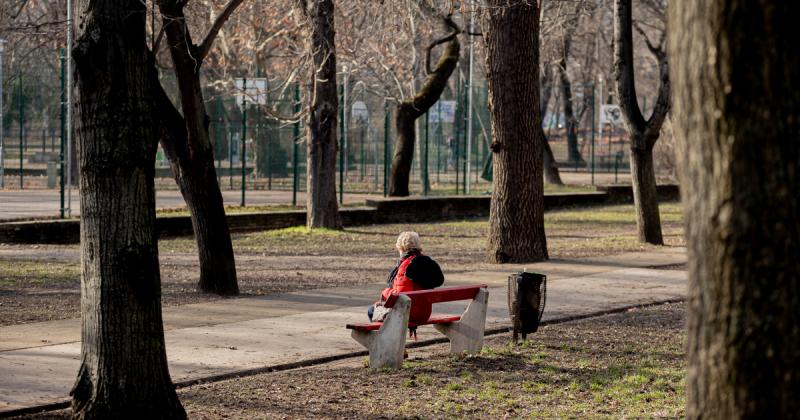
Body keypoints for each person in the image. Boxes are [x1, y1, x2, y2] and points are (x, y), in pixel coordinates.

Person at [368, 231, 442, 324]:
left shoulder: (407, 265)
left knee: (371, 310)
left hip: (408, 314)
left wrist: (385, 293)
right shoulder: (428, 262)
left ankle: (388, 337)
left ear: (401, 248)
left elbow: (402, 296)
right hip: (424, 313)